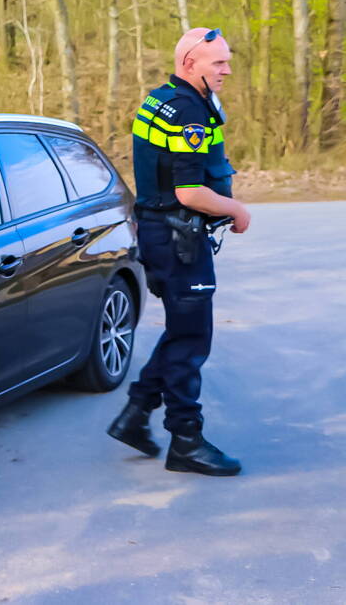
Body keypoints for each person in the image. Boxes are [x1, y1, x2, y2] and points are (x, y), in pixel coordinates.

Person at [107, 27, 251, 476]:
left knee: (180, 331)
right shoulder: (189, 110)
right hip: (178, 237)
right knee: (191, 340)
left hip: (159, 232)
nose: (227, 70)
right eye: (219, 63)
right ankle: (186, 441)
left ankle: (134, 415)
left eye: (227, 61)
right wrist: (236, 209)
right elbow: (189, 191)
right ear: (191, 62)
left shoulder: (161, 98)